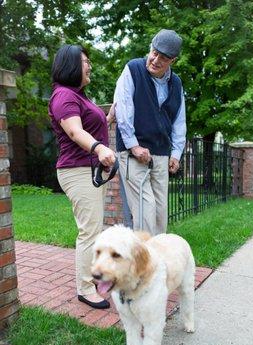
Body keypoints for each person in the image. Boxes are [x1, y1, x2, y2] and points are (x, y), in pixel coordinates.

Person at [49, 44, 116, 309]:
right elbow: (76, 132)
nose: (89, 66)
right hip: (76, 171)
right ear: (71, 65)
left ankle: (91, 280)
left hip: (86, 169)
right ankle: (85, 289)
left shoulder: (79, 96)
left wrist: (108, 118)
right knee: (89, 231)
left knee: (93, 229)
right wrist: (99, 148)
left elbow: (88, 127)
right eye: (85, 61)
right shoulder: (64, 96)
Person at [114, 29, 186, 235]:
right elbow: (123, 109)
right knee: (146, 211)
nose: (154, 60)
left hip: (162, 154)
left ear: (172, 60)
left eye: (162, 58)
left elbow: (179, 121)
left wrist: (176, 154)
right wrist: (133, 146)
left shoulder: (177, 83)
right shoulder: (133, 69)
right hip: (135, 153)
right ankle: (143, 264)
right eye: (153, 53)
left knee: (160, 212)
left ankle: (157, 261)